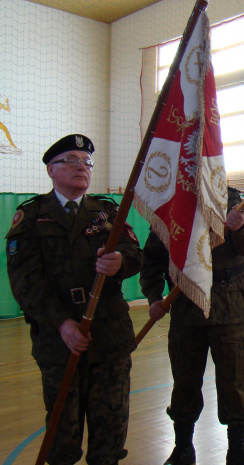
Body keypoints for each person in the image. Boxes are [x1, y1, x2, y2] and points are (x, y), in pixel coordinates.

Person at [6, 134, 143, 464]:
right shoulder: (32, 217)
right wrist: (62, 323)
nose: (82, 166)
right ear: (51, 170)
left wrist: (121, 262)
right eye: (71, 160)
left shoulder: (108, 211)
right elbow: (26, 285)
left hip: (109, 338)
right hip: (59, 341)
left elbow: (136, 253)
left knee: (109, 438)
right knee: (62, 440)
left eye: (87, 162)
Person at [139, 186, 244, 465]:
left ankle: (237, 451)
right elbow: (152, 258)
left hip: (229, 307)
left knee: (234, 382)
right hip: (185, 307)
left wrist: (239, 229)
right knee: (184, 381)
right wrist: (154, 298)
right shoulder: (170, 200)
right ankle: (183, 448)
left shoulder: (234, 201)